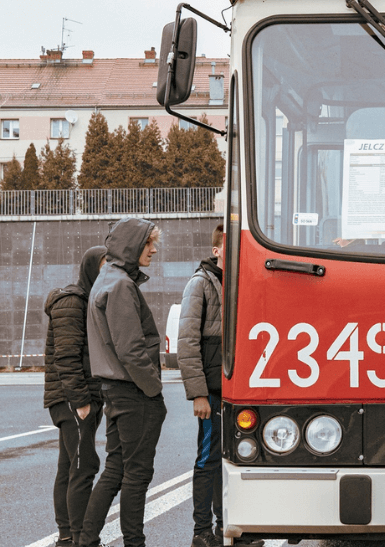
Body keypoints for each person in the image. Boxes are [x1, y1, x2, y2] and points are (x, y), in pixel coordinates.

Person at [79, 218, 165, 547]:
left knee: (116, 468)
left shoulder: (106, 279)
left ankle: (86, 540)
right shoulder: (121, 286)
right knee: (137, 474)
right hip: (133, 392)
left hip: (114, 390)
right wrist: (154, 389)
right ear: (131, 245)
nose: (153, 250)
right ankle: (134, 542)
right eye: (147, 244)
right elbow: (131, 350)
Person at [43, 245, 107, 547]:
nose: (109, 271)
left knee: (69, 466)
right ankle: (81, 539)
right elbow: (66, 357)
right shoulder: (72, 302)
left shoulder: (90, 300)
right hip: (73, 399)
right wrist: (80, 401)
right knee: (84, 466)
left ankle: (68, 536)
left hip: (80, 397)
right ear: (91, 267)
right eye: (105, 265)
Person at [178, 224, 226, 547]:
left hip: (232, 388)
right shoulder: (200, 284)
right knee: (207, 458)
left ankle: (227, 527)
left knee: (227, 460)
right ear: (216, 250)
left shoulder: (235, 283)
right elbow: (187, 342)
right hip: (210, 389)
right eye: (228, 245)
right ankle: (201, 531)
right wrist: (198, 393)